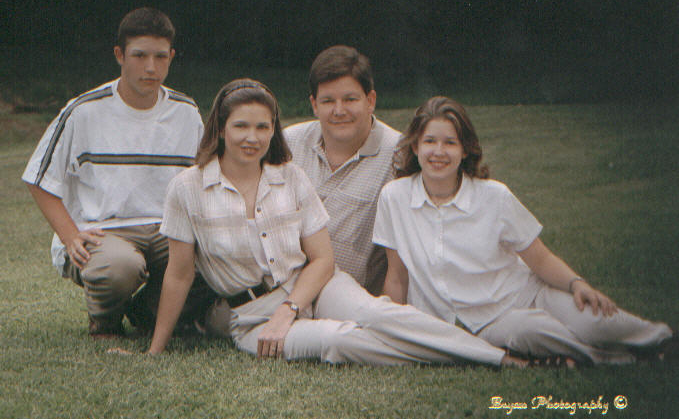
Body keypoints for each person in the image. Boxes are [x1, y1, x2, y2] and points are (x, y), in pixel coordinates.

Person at [148, 78, 526, 368]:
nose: (253, 137)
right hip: (251, 317)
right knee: (340, 340)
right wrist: (156, 350)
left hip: (316, 286)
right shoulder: (187, 188)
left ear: (274, 130)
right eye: (241, 126)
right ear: (220, 129)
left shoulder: (290, 176)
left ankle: (498, 356)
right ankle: (482, 357)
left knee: (378, 314)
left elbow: (323, 259)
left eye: (263, 127)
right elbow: (179, 275)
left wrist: (290, 308)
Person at [373, 96, 673, 364]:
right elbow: (397, 276)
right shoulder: (394, 198)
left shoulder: (494, 196)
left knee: (594, 320)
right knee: (539, 333)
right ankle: (620, 359)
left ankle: (662, 339)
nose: (439, 151)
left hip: (527, 293)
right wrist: (398, 328)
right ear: (415, 146)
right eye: (429, 141)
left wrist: (577, 284)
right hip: (489, 321)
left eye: (450, 143)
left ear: (465, 150)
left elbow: (540, 259)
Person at [22, 7, 205, 337]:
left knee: (217, 259)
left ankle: (147, 312)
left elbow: (203, 181)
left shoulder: (186, 111)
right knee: (120, 267)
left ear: (172, 57)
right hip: (105, 233)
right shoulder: (83, 111)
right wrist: (70, 236)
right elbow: (38, 179)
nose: (151, 67)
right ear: (120, 55)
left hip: (166, 230)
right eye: (139, 55)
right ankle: (104, 319)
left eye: (160, 56)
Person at [284, 45, 400, 295]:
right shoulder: (289, 144)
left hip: (350, 296)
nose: (339, 111)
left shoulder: (398, 155)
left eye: (350, 99)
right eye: (328, 101)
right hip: (283, 287)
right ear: (314, 104)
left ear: (370, 101)